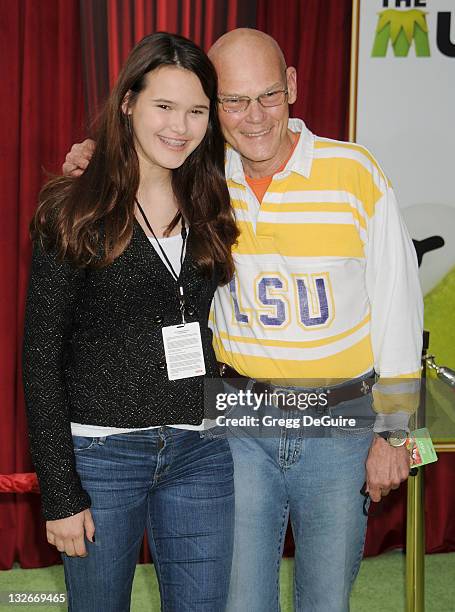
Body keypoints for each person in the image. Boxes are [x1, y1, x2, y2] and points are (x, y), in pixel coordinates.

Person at [63, 28, 423, 612]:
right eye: (233, 100)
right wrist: (94, 158)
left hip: (341, 425)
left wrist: (394, 433)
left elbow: (401, 307)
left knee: (325, 601)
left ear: (293, 88)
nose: (254, 117)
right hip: (236, 429)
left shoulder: (356, 173)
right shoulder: (200, 179)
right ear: (212, 106)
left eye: (268, 96)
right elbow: (129, 172)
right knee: (238, 602)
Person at [23, 32, 239, 612]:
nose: (181, 126)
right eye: (163, 106)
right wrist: (61, 495)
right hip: (102, 459)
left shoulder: (213, 198)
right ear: (127, 105)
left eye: (196, 111)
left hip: (202, 448)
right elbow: (40, 358)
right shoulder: (75, 208)